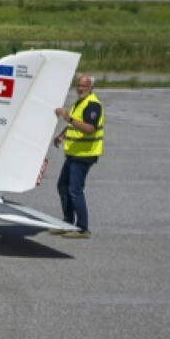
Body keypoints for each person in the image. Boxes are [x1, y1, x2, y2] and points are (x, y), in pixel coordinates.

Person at [50, 73, 104, 238]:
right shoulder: (79, 103)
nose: (80, 89)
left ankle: (82, 228)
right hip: (74, 153)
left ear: (91, 88)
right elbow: (74, 124)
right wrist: (62, 135)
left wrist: (68, 118)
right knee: (62, 186)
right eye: (78, 85)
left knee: (75, 190)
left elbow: (89, 128)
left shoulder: (92, 105)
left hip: (84, 154)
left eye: (84, 86)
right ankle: (67, 222)